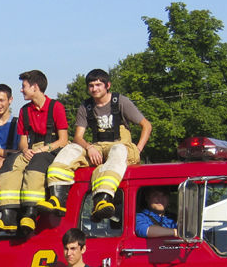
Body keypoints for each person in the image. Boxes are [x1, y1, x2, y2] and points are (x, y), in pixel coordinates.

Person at [43, 69, 151, 222]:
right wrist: (89, 147)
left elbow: (146, 125)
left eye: (98, 85)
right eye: (91, 85)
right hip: (97, 147)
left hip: (120, 146)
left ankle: (103, 199)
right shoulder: (85, 107)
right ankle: (57, 198)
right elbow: (78, 137)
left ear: (108, 85)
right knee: (70, 148)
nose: (94, 89)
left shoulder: (120, 101)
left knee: (118, 150)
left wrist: (137, 150)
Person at [0, 71, 68, 236]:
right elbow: (23, 141)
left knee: (36, 165)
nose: (21, 90)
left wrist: (42, 149)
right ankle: (8, 215)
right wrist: (25, 150)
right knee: (9, 165)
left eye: (24, 86)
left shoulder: (56, 107)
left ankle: (30, 213)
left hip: (52, 149)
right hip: (31, 149)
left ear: (35, 87)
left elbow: (63, 140)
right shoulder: (25, 111)